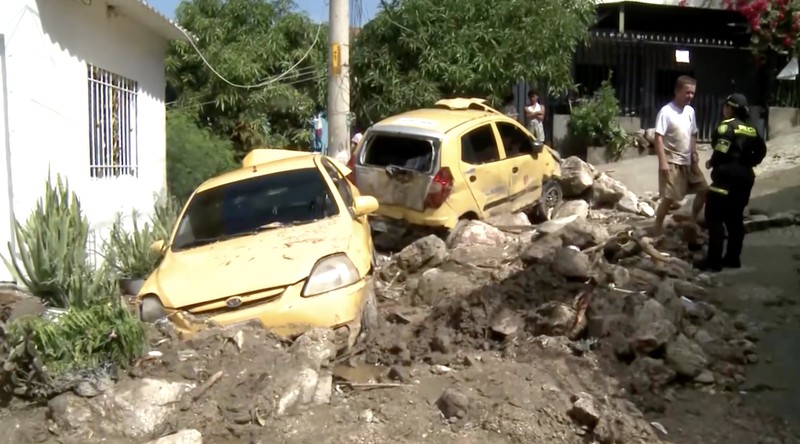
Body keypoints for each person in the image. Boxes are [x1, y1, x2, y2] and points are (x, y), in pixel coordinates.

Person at [694, 93, 767, 272]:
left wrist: (712, 162)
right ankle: (733, 258)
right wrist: (749, 162)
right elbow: (762, 150)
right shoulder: (752, 128)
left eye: (725, 106)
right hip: (745, 179)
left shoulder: (726, 126)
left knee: (714, 218)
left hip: (725, 179)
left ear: (729, 108)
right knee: (735, 219)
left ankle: (714, 262)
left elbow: (721, 149)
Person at [652, 75, 708, 236]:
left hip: (688, 161)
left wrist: (694, 151)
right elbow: (658, 137)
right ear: (677, 91)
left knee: (704, 189)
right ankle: (657, 227)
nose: (690, 96)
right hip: (672, 161)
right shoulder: (666, 111)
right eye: (687, 92)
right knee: (669, 197)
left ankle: (692, 219)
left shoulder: (690, 111)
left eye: (692, 93)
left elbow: (693, 133)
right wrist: (663, 162)